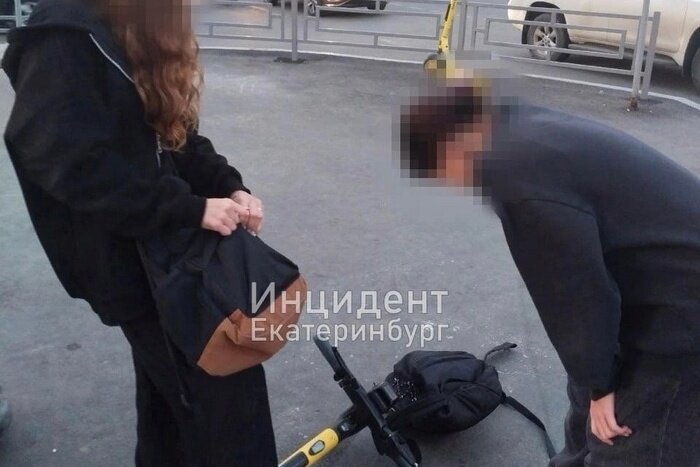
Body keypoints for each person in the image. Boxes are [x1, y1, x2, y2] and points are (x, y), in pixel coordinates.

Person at [3, 0, 276, 465]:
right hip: (127, 262)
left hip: (171, 253)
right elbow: (68, 163)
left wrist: (229, 186)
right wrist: (188, 209)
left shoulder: (147, 22)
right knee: (216, 401)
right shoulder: (66, 36)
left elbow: (177, 136)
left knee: (175, 401)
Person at [397, 79, 700, 466]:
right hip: (650, 279)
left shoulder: (517, 176)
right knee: (588, 399)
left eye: (441, 173)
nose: (452, 185)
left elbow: (576, 292)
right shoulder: (520, 127)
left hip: (682, 314)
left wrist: (602, 386)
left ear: (454, 147)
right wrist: (593, 381)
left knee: (629, 438)